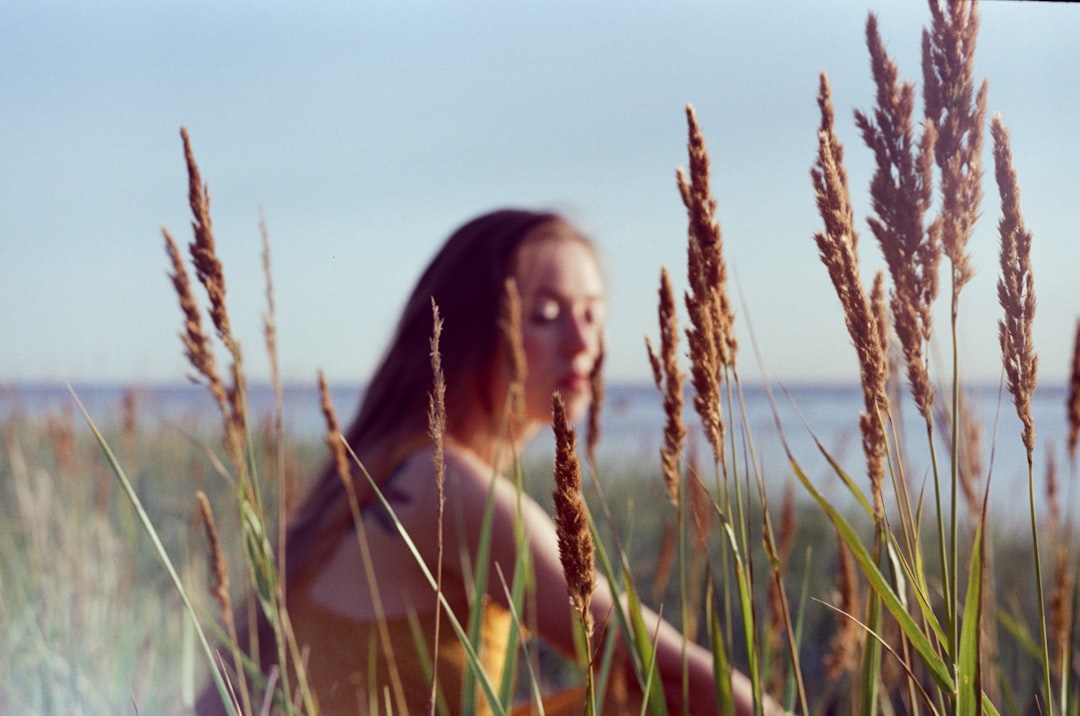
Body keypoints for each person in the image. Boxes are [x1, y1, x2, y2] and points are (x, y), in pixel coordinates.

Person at [196, 209, 762, 715]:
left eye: (592, 314)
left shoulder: (386, 467)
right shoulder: (447, 487)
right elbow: (659, 665)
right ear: (467, 330)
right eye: (545, 314)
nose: (582, 342)